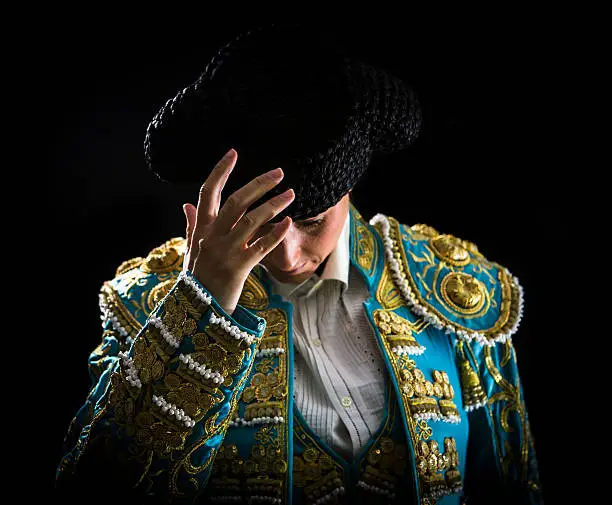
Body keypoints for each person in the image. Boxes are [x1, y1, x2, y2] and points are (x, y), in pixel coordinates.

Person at [55, 23, 542, 505]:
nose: (285, 254)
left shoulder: (451, 285)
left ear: (349, 190)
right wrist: (199, 307)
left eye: (309, 221)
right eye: (253, 223)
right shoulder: (147, 304)